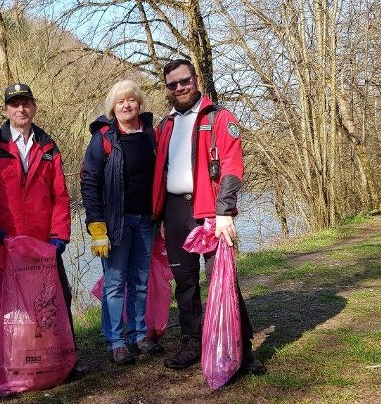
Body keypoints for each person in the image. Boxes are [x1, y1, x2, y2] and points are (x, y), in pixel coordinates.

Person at [151, 59, 266, 375]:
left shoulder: (219, 117)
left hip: (210, 210)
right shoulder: (165, 126)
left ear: (195, 78)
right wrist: (158, 216)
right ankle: (192, 342)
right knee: (185, 282)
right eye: (172, 84)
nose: (180, 88)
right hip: (174, 213)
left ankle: (241, 348)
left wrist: (224, 211)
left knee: (223, 279)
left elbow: (232, 165)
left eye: (184, 81)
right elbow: (158, 173)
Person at [0, 83, 74, 343]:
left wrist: (59, 235)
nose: (21, 109)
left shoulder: (48, 146)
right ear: (6, 110)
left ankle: (61, 359)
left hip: (43, 243)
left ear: (34, 107)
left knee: (57, 298)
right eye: (15, 104)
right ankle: (9, 364)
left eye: (26, 103)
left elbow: (60, 195)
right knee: (10, 306)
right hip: (5, 242)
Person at [80, 79, 159, 365]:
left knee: (140, 281)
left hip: (146, 220)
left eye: (132, 100)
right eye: (120, 101)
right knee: (115, 283)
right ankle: (116, 341)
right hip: (115, 222)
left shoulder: (151, 135)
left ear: (140, 104)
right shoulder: (103, 139)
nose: (127, 105)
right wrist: (96, 225)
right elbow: (89, 182)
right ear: (113, 107)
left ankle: (138, 334)